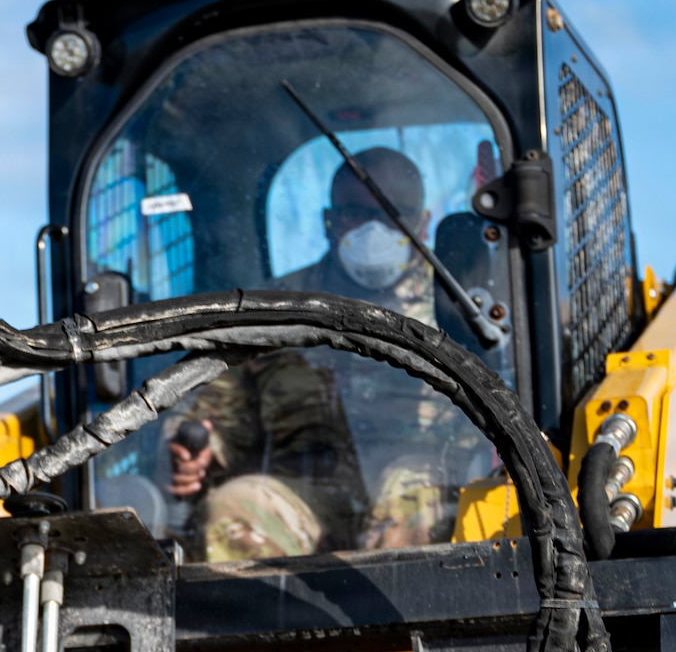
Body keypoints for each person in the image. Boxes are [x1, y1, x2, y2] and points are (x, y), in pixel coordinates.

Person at [167, 147, 486, 559]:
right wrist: (198, 450)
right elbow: (213, 411)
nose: (374, 229)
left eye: (392, 213)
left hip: (425, 480)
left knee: (419, 520)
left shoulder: (461, 309)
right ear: (329, 221)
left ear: (422, 224)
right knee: (233, 512)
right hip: (304, 489)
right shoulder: (275, 309)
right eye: (355, 212)